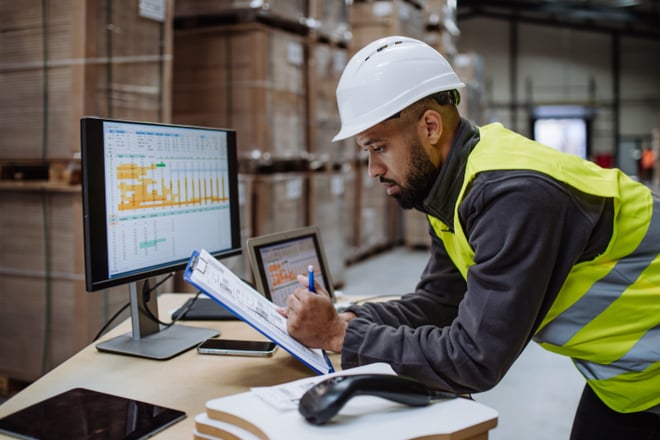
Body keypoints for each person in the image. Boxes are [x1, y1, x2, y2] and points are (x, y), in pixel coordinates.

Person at [278, 36, 660, 439]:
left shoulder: (513, 196)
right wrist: (349, 318)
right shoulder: (453, 187)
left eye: (379, 148)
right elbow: (442, 303)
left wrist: (340, 334)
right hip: (627, 384)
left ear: (429, 126)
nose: (373, 169)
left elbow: (475, 357)